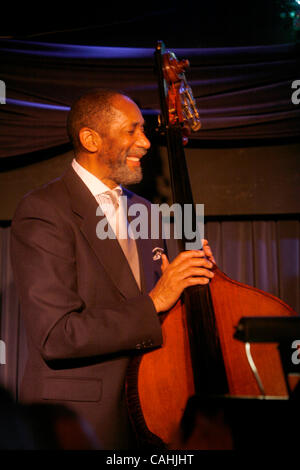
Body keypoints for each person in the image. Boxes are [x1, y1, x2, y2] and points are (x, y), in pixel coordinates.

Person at [10, 88, 215, 449]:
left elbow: (163, 313)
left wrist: (193, 277)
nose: (146, 143)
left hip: (155, 413)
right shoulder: (44, 210)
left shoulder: (148, 212)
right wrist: (155, 301)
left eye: (144, 130)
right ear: (91, 139)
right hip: (84, 421)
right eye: (132, 130)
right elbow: (57, 336)